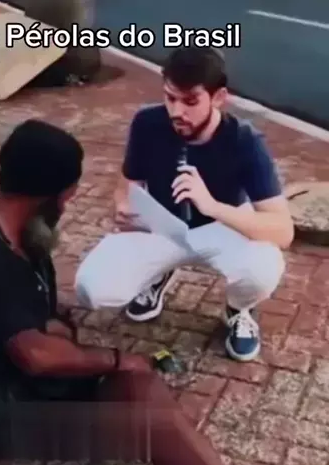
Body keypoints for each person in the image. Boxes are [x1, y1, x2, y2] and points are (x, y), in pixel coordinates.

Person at [0, 119, 233, 465]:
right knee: (149, 420)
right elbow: (38, 357)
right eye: (67, 195)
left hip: (13, 374)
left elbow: (37, 318)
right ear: (46, 195)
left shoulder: (25, 233)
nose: (67, 204)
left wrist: (69, 338)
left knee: (141, 388)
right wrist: (117, 358)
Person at [111, 46, 294, 362]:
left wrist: (212, 206)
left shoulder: (245, 140)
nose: (176, 111)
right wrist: (124, 206)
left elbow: (283, 231)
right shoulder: (147, 122)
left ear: (219, 97)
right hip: (163, 226)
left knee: (263, 268)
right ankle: (157, 276)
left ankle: (238, 310)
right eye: (170, 98)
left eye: (190, 101)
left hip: (222, 228)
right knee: (94, 288)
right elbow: (128, 180)